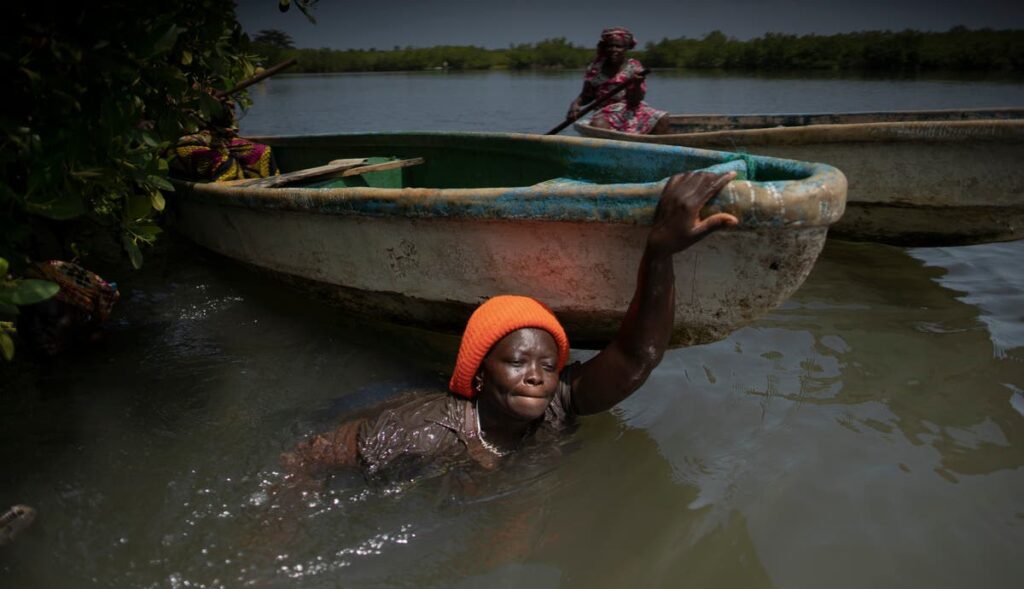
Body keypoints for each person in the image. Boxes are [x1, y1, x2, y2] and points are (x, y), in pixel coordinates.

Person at [281, 171, 739, 485]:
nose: (537, 374)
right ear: (480, 374)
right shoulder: (420, 431)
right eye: (518, 362)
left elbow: (636, 358)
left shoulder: (556, 404)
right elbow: (305, 458)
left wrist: (660, 251)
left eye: (548, 364)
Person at [565, 27, 669, 135]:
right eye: (610, 46)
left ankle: (652, 147)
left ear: (626, 48)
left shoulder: (634, 67)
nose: (613, 50)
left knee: (662, 119)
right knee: (599, 125)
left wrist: (637, 85)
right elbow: (587, 95)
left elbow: (635, 101)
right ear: (605, 48)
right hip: (606, 111)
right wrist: (575, 104)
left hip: (632, 109)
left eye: (618, 46)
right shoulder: (596, 68)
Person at [168, 91, 279, 182]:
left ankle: (268, 195)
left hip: (219, 137)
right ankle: (230, 201)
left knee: (262, 151)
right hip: (185, 141)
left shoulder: (215, 84)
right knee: (224, 163)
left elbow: (230, 122)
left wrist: (220, 105)